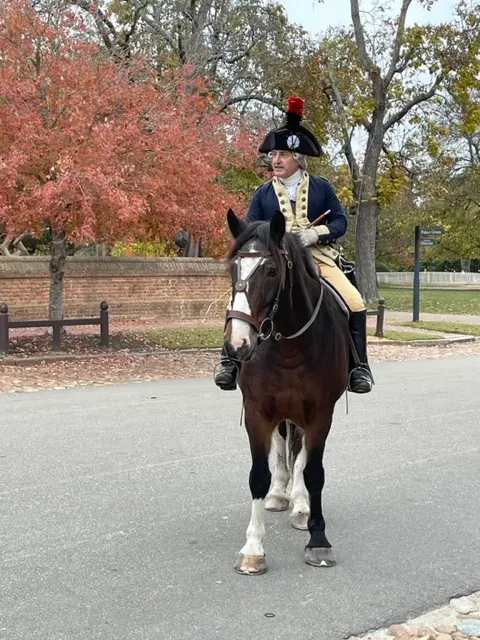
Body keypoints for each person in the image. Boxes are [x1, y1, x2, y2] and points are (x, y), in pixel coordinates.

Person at [215, 96, 373, 394]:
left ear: (298, 159)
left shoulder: (323, 187)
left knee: (355, 302)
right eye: (274, 154)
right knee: (236, 302)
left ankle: (358, 368)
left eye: (283, 154)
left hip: (318, 258)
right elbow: (249, 230)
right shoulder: (262, 194)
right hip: (273, 259)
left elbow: (340, 222)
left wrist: (314, 235)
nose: (275, 160)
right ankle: (229, 364)